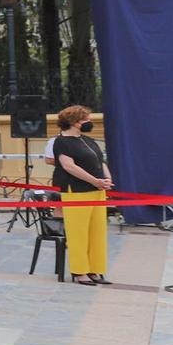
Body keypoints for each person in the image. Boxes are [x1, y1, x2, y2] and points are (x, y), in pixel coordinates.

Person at [53, 105, 113, 284]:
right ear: (74, 122)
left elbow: (100, 161)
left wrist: (106, 178)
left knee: (97, 232)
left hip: (97, 191)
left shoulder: (89, 140)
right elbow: (69, 166)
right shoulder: (62, 142)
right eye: (85, 119)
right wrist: (94, 180)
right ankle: (80, 271)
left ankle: (95, 269)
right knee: (78, 233)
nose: (89, 122)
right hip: (76, 191)